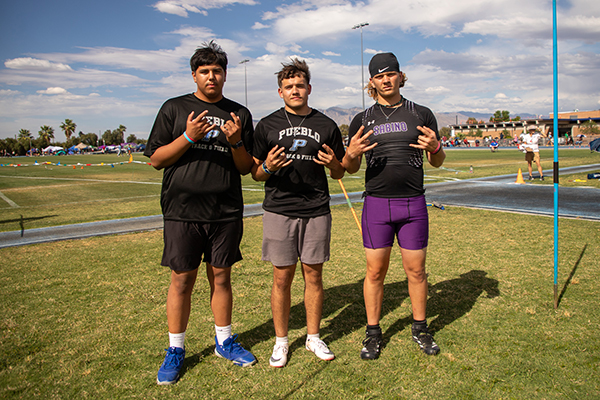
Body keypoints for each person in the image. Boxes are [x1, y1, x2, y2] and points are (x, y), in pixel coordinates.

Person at [145, 41, 257, 385]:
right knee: (182, 280)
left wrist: (236, 141)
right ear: (194, 75)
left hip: (225, 210)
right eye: (205, 71)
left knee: (221, 277)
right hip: (182, 210)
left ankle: (224, 341)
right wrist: (188, 136)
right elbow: (155, 159)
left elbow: (245, 168)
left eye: (217, 71)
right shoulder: (175, 108)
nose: (212, 76)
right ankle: (175, 349)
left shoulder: (239, 113)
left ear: (225, 75)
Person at [342, 52, 446, 360]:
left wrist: (436, 147)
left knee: (416, 271)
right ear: (371, 82)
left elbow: (437, 162)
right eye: (379, 76)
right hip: (376, 205)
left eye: (391, 74)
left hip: (413, 204)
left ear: (401, 76)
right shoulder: (362, 120)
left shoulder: (421, 113)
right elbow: (349, 168)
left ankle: (420, 328)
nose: (386, 80)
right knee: (375, 272)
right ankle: (373, 333)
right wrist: (351, 153)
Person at [250, 58, 345, 367]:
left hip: (316, 209)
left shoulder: (326, 125)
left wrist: (333, 164)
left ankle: (314, 336)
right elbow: (255, 173)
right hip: (279, 210)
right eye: (289, 86)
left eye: (300, 85)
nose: (295, 90)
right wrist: (268, 167)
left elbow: (339, 172)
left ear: (309, 88)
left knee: (314, 276)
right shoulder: (267, 125)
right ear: (280, 91)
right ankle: (281, 341)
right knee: (282, 279)